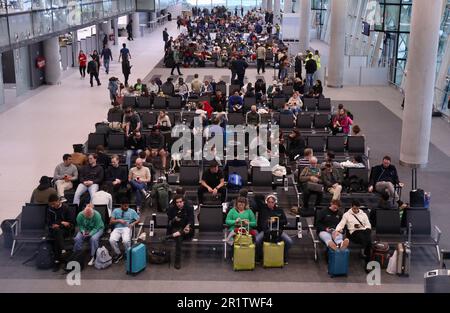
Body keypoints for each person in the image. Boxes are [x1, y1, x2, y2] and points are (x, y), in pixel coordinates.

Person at [255, 194, 292, 263]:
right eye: (269, 202)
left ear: (275, 202)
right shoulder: (263, 209)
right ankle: (260, 256)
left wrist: (276, 220)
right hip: (266, 230)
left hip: (277, 230)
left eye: (272, 202)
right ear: (266, 202)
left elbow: (285, 221)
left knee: (289, 241)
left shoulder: (279, 210)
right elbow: (257, 197)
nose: (270, 204)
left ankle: (283, 256)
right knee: (257, 241)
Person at [335, 200, 372, 264]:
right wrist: (337, 230)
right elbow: (341, 224)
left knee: (367, 238)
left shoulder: (363, 214)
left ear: (359, 207)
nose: (355, 210)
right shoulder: (346, 215)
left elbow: (368, 224)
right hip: (354, 232)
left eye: (357, 208)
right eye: (354, 208)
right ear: (351, 207)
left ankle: (367, 257)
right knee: (368, 241)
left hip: (364, 231)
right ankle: (367, 258)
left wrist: (367, 229)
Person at [46, 194, 75, 271]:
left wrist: (61, 224)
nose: (52, 205)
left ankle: (57, 261)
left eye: (54, 203)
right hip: (54, 230)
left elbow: (71, 223)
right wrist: (54, 225)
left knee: (57, 237)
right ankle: (63, 251)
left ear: (58, 201)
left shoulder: (66, 208)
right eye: (51, 204)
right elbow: (48, 222)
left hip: (65, 230)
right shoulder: (50, 209)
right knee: (57, 232)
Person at [166, 195, 195, 269]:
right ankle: (177, 261)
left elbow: (191, 219)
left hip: (187, 228)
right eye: (177, 202)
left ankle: (170, 236)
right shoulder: (172, 209)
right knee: (178, 239)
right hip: (176, 227)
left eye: (180, 202)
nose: (179, 204)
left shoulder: (189, 208)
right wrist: (174, 219)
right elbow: (170, 221)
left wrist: (188, 226)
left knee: (181, 233)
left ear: (183, 202)